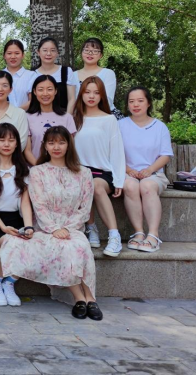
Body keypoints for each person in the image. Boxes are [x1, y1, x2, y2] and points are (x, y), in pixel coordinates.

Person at [0, 126, 102, 321]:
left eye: (61, 142)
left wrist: (67, 228)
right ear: (45, 146)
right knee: (62, 246)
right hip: (46, 228)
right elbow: (39, 206)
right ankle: (80, 298)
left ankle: (90, 298)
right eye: (52, 142)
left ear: (68, 145)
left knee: (79, 246)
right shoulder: (37, 172)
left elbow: (85, 208)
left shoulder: (84, 173)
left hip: (73, 228)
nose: (56, 147)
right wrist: (55, 229)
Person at [0, 123, 33, 307]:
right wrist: (3, 227)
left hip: (15, 219)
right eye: (2, 139)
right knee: (14, 243)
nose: (6, 144)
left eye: (11, 140)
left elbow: (25, 202)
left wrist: (28, 226)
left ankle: (9, 282)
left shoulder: (24, 169)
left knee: (30, 243)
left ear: (18, 143)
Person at [72, 77, 125, 257]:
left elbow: (117, 151)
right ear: (81, 94)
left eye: (96, 92)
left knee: (95, 185)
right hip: (79, 171)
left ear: (102, 95)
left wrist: (119, 180)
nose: (91, 96)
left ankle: (114, 236)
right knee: (83, 182)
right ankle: (91, 228)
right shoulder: (74, 118)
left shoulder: (109, 119)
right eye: (87, 92)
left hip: (103, 172)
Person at [119, 87, 173, 253]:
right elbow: (113, 153)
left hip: (154, 174)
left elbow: (166, 155)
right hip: (127, 173)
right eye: (131, 101)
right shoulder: (120, 125)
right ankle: (139, 233)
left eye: (140, 101)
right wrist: (128, 169)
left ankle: (153, 235)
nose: (135, 105)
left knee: (147, 186)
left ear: (148, 103)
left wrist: (149, 170)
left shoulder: (160, 127)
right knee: (130, 186)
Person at [24, 75, 77, 165]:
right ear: (34, 92)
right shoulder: (26, 117)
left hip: (62, 168)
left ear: (55, 91)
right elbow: (27, 150)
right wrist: (41, 169)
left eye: (49, 89)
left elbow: (70, 148)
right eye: (40, 89)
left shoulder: (67, 117)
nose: (45, 93)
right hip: (35, 168)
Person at [75, 37, 119, 114]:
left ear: (101, 55)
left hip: (106, 114)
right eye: (86, 50)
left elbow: (108, 100)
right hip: (79, 115)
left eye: (95, 51)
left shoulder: (108, 73)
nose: (90, 53)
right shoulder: (72, 75)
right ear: (81, 52)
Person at [34, 37, 77, 114]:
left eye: (53, 50)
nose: (48, 53)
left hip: (63, 116)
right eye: (45, 50)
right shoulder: (32, 74)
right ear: (38, 52)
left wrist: (67, 118)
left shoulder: (66, 71)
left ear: (57, 53)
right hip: (37, 116)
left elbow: (72, 99)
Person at [2, 39, 36, 110]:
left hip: (25, 115)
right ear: (4, 55)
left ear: (23, 55)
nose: (13, 57)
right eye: (9, 53)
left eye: (17, 53)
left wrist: (16, 113)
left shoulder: (31, 76)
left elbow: (33, 100)